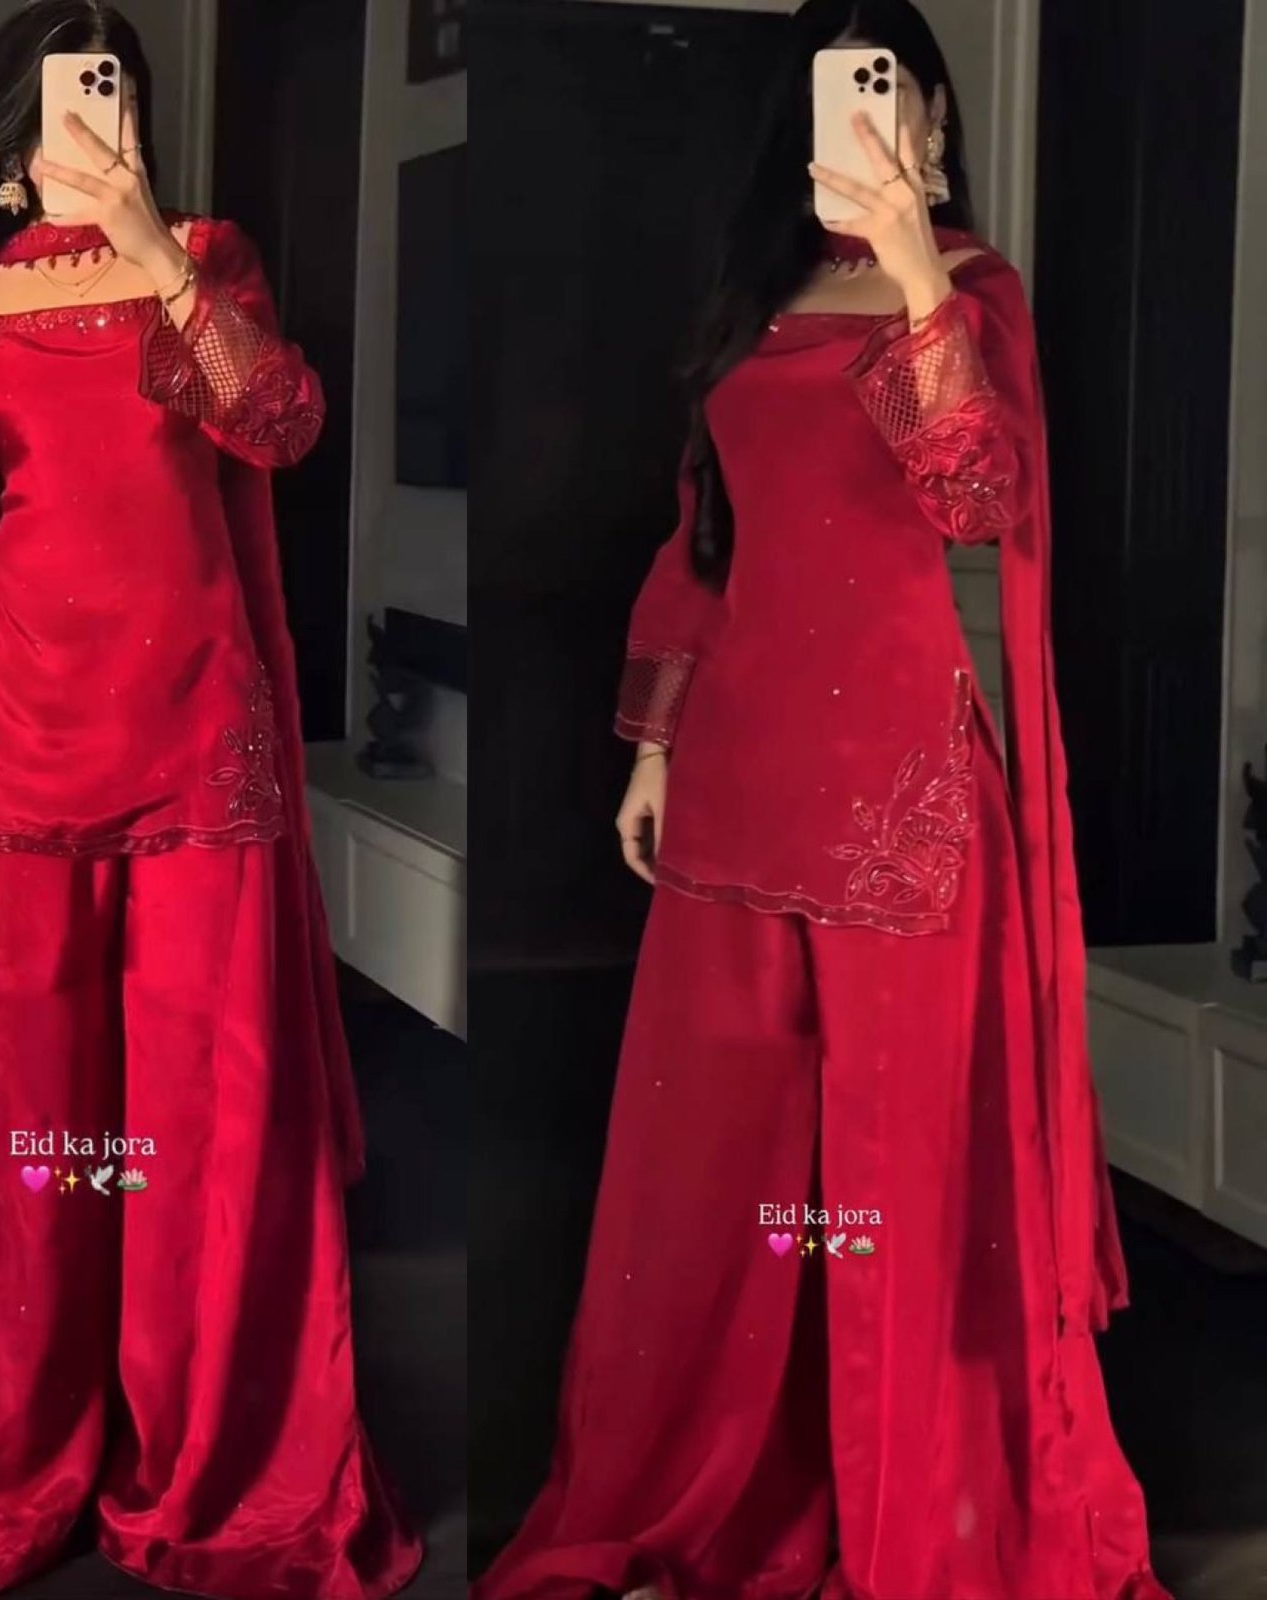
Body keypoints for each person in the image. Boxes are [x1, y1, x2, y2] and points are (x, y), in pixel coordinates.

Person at [473, 2, 1168, 1597]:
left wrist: (917, 268)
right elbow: (703, 536)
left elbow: (977, 495)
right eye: (834, 91)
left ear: (932, 114)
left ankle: (914, 1505)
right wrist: (655, 744)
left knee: (893, 1171)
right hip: (739, 771)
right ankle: (719, 1483)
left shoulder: (974, 289)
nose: (864, 115)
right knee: (721, 1166)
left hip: (901, 791)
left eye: (888, 86)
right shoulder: (756, 294)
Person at [0, 5, 421, 1598]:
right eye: (65, 95)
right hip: (25, 740)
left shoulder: (210, 257)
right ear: (14, 128)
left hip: (199, 743)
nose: (92, 116)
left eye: (114, 90)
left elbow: (281, 421)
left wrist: (156, 251)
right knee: (28, 1118)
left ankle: (210, 1451)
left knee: (203, 1118)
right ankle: (12, 1437)